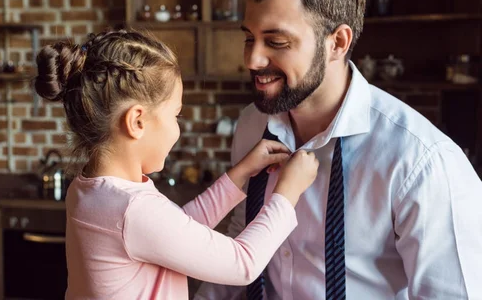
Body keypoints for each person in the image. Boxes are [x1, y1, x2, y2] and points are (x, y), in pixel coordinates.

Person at [195, 0, 482, 300]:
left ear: (338, 42)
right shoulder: (251, 126)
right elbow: (242, 237)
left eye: (276, 42)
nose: (252, 59)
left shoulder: (421, 162)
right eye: (248, 38)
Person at [33, 29, 320, 300]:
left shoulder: (89, 189)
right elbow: (243, 262)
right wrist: (287, 194)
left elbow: (175, 229)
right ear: (137, 121)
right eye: (175, 115)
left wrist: (241, 173)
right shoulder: (132, 210)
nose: (177, 129)